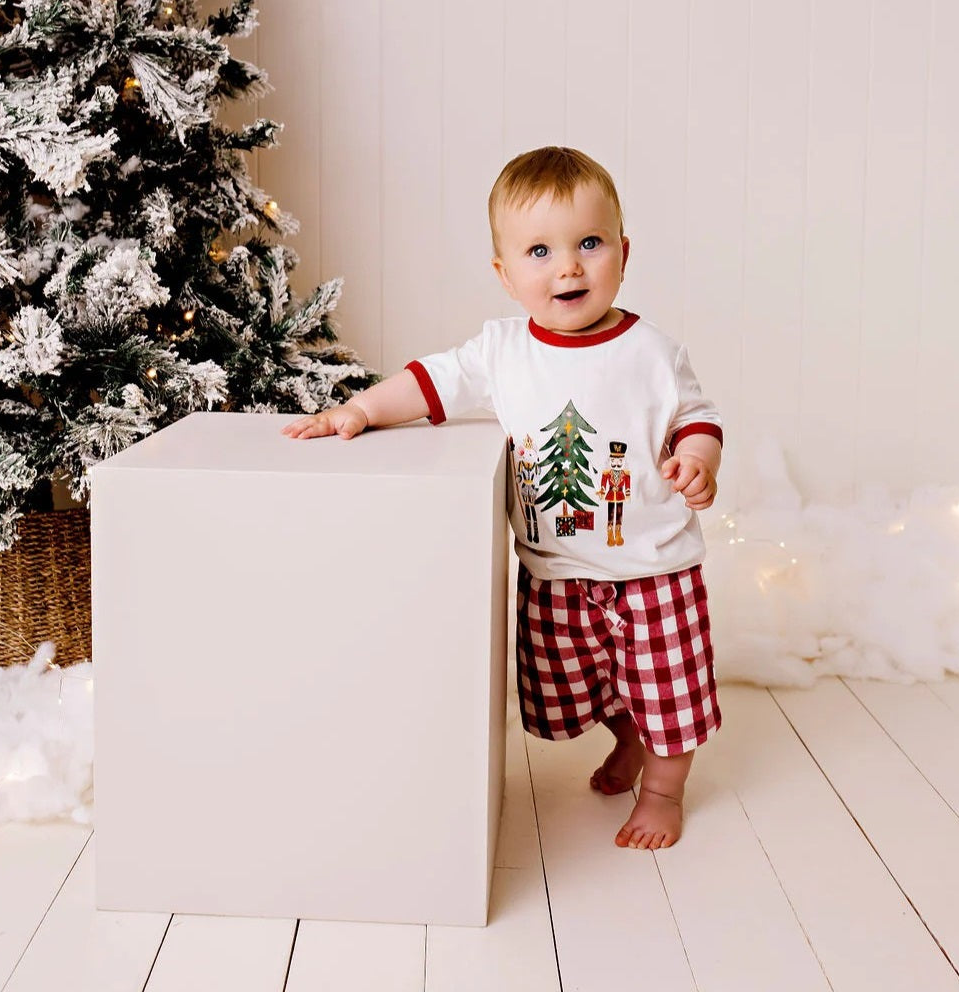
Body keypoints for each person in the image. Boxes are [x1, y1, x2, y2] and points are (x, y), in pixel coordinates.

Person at [282, 147, 723, 850]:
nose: (568, 267)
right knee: (573, 692)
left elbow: (696, 418)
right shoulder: (503, 349)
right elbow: (431, 385)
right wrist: (361, 409)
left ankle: (663, 789)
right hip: (555, 574)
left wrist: (696, 458)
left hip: (653, 572)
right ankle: (626, 738)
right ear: (505, 273)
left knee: (668, 694)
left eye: (589, 243)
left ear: (623, 252)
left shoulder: (652, 352)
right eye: (540, 251)